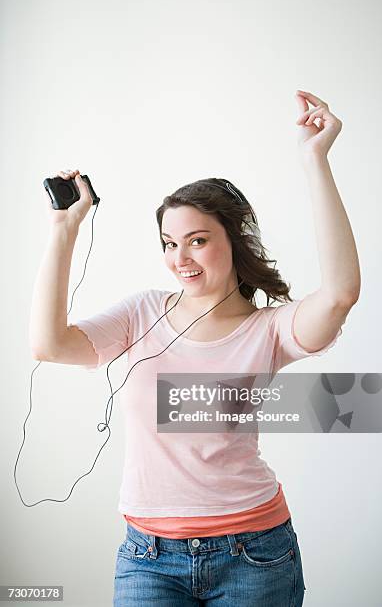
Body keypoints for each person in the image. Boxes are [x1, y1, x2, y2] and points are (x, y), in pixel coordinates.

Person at [29, 90, 360, 606]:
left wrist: (315, 159)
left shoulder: (270, 330)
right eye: (168, 242)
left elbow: (340, 294)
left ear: (234, 239)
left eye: (198, 240)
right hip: (149, 557)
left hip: (253, 553)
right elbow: (49, 345)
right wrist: (63, 230)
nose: (179, 257)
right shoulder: (141, 313)